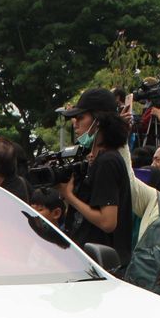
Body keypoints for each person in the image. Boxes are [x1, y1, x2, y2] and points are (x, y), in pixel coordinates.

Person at [57, 88, 135, 268]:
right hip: (90, 262)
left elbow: (108, 222)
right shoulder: (98, 159)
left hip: (102, 265)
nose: (75, 124)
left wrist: (69, 197)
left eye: (80, 117)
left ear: (98, 121)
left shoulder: (107, 161)